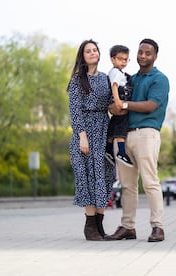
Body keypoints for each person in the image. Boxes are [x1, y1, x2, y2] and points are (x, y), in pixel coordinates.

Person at [106, 38, 170, 242]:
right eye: (140, 52)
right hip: (123, 135)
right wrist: (112, 106)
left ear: (155, 56)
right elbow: (115, 102)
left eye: (148, 53)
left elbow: (151, 105)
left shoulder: (160, 79)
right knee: (127, 185)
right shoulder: (130, 78)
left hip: (147, 134)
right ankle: (128, 227)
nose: (143, 56)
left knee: (150, 182)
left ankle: (157, 227)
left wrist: (123, 105)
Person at [67, 39, 115, 241]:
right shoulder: (78, 80)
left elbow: (112, 103)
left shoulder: (105, 78)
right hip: (84, 133)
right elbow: (75, 111)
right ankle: (89, 227)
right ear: (83, 56)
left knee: (104, 175)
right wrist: (82, 136)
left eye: (95, 50)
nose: (93, 53)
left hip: (103, 128)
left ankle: (100, 226)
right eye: (89, 51)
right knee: (86, 177)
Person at [105, 45, 134, 168]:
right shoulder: (115, 72)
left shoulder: (120, 73)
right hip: (120, 99)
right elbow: (115, 86)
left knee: (113, 125)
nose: (123, 62)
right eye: (120, 59)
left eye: (126, 59)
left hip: (120, 99)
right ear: (112, 59)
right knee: (122, 124)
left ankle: (109, 150)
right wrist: (118, 101)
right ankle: (121, 152)